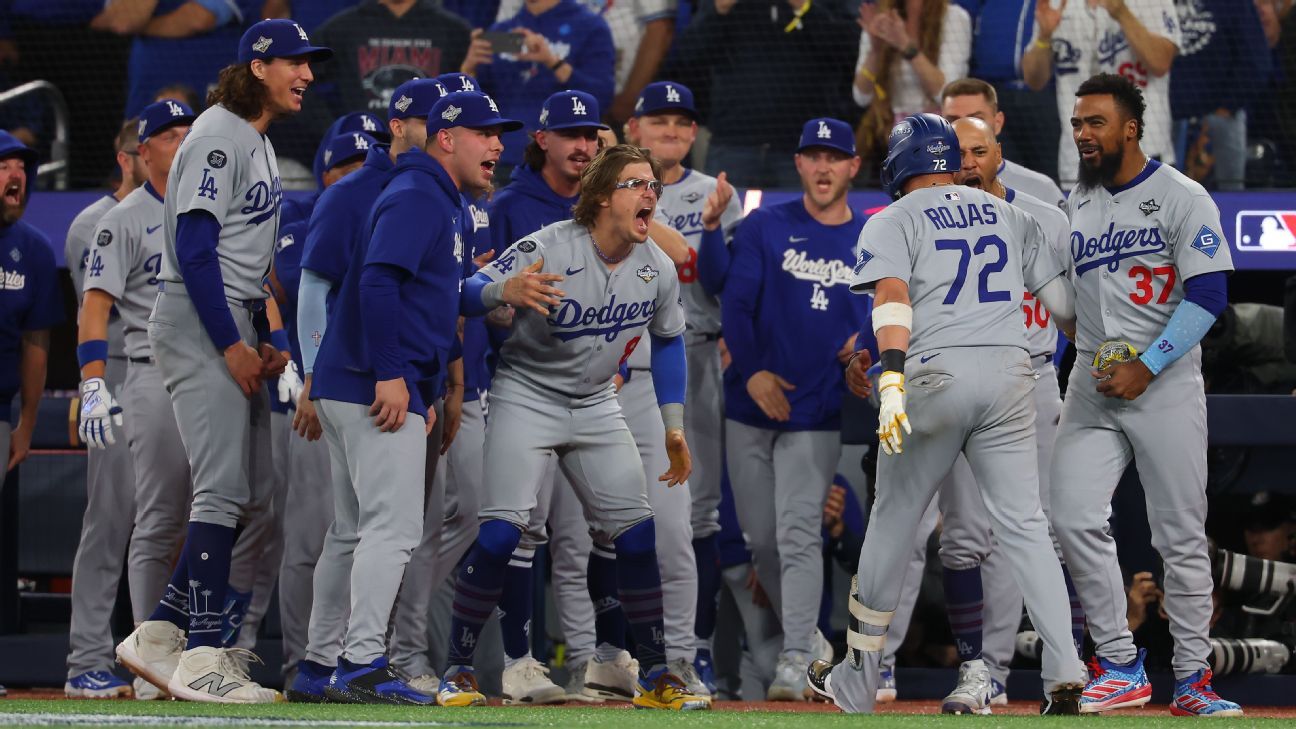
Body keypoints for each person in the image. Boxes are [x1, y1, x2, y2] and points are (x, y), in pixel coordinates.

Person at [805, 112, 1087, 715]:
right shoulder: (1010, 212)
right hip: (1012, 374)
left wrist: (893, 379)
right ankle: (1064, 669)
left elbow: (891, 298)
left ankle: (858, 680)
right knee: (1024, 525)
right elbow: (1065, 310)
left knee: (892, 522)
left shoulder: (893, 218)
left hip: (933, 371)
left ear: (899, 165)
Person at [442, 143, 706, 711]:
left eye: (653, 187)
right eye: (636, 184)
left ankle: (652, 673)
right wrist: (501, 290)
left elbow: (668, 344)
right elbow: (460, 294)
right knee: (501, 534)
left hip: (594, 402)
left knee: (636, 533)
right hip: (526, 392)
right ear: (602, 197)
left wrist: (673, 426)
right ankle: (458, 668)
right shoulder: (549, 245)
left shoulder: (655, 266)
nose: (650, 195)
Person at [113, 19, 330, 704]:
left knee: (255, 493)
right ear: (259, 65)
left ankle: (158, 635)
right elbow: (196, 249)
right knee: (219, 490)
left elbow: (247, 257)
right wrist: (229, 342)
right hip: (195, 313)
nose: (308, 74)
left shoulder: (256, 138)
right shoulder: (215, 133)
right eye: (296, 62)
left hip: (231, 313)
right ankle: (202, 650)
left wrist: (264, 334)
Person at [1048, 72, 1242, 717]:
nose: (1083, 134)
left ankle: (1192, 680)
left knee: (1181, 536)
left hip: (1164, 383)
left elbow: (1210, 294)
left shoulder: (1183, 196)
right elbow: (1071, 305)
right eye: (1078, 123)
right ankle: (1122, 663)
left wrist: (1150, 363)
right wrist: (1080, 344)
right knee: (1071, 514)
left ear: (1131, 126)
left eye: (1096, 122)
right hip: (1093, 384)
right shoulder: (1075, 203)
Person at [288, 76, 446, 702]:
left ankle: (318, 665)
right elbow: (314, 289)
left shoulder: (429, 192)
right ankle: (358, 663)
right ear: (403, 126)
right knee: (390, 527)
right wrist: (310, 373)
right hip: (362, 379)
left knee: (351, 530)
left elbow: (424, 298)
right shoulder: (357, 192)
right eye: (432, 122)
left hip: (372, 377)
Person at [926, 115, 1082, 714]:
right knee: (962, 537)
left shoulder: (1043, 215)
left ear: (999, 153)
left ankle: (1057, 670)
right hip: (954, 381)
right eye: (956, 152)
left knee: (1039, 530)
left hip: (1032, 379)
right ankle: (977, 672)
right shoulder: (925, 217)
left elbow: (1072, 307)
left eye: (978, 150)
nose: (967, 161)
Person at [719, 117, 867, 700]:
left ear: (854, 166)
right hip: (748, 404)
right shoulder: (765, 226)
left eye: (836, 157)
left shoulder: (871, 239)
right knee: (763, 540)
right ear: (799, 164)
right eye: (814, 156)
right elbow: (735, 302)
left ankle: (797, 656)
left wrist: (865, 351)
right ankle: (810, 643)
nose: (824, 167)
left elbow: (878, 319)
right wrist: (752, 371)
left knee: (800, 534)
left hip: (815, 411)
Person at [625, 79, 744, 695]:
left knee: (696, 515)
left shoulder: (713, 193)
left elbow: (721, 285)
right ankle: (617, 650)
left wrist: (716, 225)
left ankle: (690, 649)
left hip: (693, 356)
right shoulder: (616, 190)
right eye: (658, 121)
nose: (671, 130)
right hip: (621, 360)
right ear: (634, 130)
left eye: (681, 122)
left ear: (694, 134)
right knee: (614, 517)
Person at [267, 130, 373, 689]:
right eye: (345, 164)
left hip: (373, 397)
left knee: (372, 540)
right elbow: (285, 288)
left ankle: (360, 661)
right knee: (309, 540)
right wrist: (309, 376)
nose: (357, 171)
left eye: (366, 160)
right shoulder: (301, 219)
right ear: (324, 172)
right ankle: (301, 664)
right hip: (309, 394)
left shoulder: (392, 217)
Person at [62, 117, 147, 700]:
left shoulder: (175, 213)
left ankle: (155, 657)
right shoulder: (94, 223)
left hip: (168, 374)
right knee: (109, 520)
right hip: (115, 371)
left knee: (162, 524)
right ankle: (86, 658)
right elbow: (95, 314)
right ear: (126, 158)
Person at [667, 0, 858, 189]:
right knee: (722, 217)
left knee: (802, 220)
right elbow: (689, 55)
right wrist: (720, 9)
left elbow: (849, 52)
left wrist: (804, 8)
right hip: (734, 141)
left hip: (805, 145)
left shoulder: (829, 5)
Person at [1022, 0, 1181, 186]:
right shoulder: (1056, 3)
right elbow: (1033, 80)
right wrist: (1044, 37)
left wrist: (1122, 13)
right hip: (1078, 160)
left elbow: (1160, 62)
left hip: (1143, 154)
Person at [461, 0, 615, 180]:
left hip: (561, 163)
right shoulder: (501, 31)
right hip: (502, 158)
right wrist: (468, 69)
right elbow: (479, 105)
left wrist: (553, 62)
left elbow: (602, 97)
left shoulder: (590, 27)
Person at [0, 130, 60, 494]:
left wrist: (27, 424)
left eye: (21, 167)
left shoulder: (35, 249)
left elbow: (37, 344)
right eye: (3, 165)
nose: (16, 174)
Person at [851, 0, 972, 175]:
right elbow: (861, 96)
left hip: (939, 140)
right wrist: (875, 50)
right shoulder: (881, 18)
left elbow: (946, 93)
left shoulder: (953, 18)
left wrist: (906, 46)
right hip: (888, 138)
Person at [304, 0, 471, 122]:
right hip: (363, 148)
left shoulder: (453, 30)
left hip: (432, 145)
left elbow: (472, 88)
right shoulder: (342, 29)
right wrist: (332, 129)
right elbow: (302, 78)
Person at [92, 0, 265, 116]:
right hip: (148, 79)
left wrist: (142, 25)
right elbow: (122, 19)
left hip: (205, 75)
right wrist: (134, 23)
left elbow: (198, 18)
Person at [1169, 0, 1272, 191]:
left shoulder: (1235, 4)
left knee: (1229, 192)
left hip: (1223, 118)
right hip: (1168, 119)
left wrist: (1228, 106)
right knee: (1163, 195)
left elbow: (1257, 61)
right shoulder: (1154, 3)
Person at [940, 77, 1066, 207]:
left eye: (976, 119)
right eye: (952, 120)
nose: (965, 127)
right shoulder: (924, 189)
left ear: (998, 123)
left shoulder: (1041, 190)